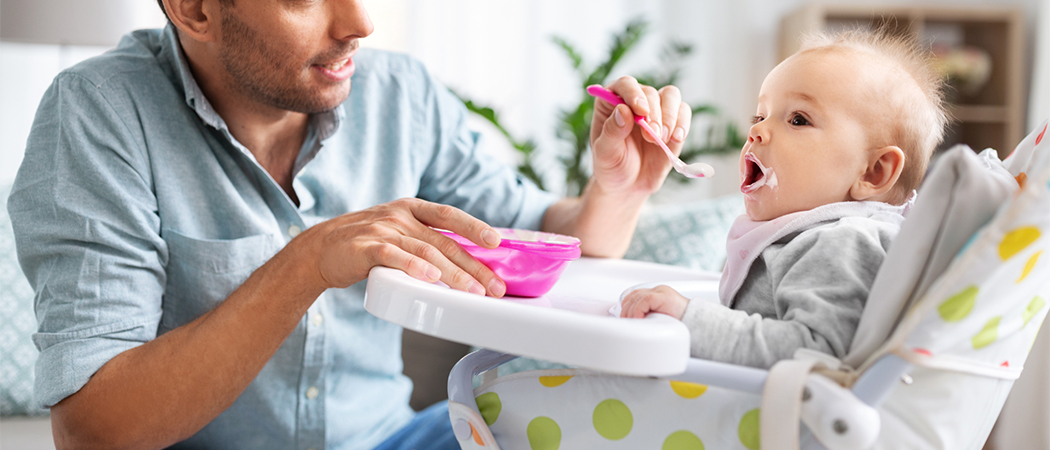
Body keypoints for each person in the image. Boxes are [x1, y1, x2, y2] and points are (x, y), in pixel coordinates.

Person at [8, 0, 694, 449]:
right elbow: (91, 427)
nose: (360, 22)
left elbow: (546, 240)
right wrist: (306, 263)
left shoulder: (403, 95)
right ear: (194, 10)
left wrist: (618, 190)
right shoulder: (98, 112)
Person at [619, 29, 949, 369]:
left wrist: (690, 318)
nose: (756, 131)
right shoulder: (805, 240)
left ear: (873, 173)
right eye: (759, 116)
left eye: (798, 119)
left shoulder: (839, 242)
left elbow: (819, 354)